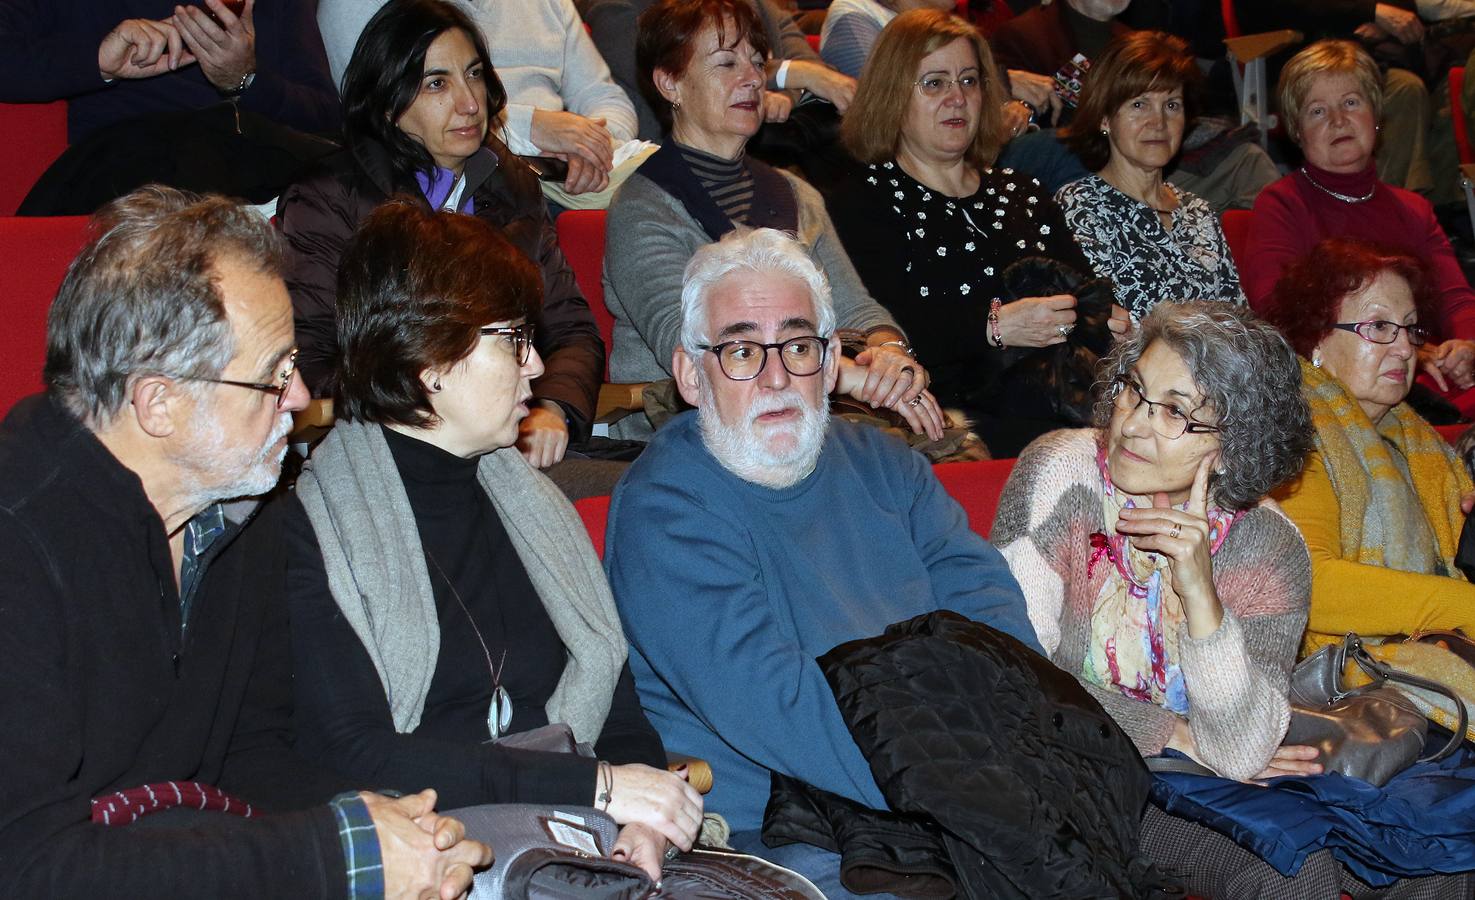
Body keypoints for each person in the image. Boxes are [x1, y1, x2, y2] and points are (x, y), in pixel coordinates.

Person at [0, 185, 489, 897]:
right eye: (273, 375)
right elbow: (25, 867)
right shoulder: (17, 544)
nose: (298, 399)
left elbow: (246, 756)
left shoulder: (238, 510)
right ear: (159, 402)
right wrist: (337, 853)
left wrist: (387, 826)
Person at [604, 226, 1039, 894]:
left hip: (943, 789)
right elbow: (780, 706)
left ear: (832, 362)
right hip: (787, 829)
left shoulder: (888, 466)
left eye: (799, 346)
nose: (776, 376)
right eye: (742, 350)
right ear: (691, 374)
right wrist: (968, 784)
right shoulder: (665, 508)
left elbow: (989, 614)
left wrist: (1011, 752)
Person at [285, 203, 703, 881]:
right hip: (430, 857)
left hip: (574, 845)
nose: (536, 366)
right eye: (513, 340)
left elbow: (618, 705)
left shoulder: (535, 505)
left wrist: (641, 822)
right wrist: (597, 788)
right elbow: (355, 751)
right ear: (430, 359)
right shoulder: (309, 528)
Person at [279, 0, 603, 469]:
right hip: (392, 451)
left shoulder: (515, 187)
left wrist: (553, 408)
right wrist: (440, 410)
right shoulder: (330, 196)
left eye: (474, 75)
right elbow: (311, 355)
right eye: (437, 84)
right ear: (389, 103)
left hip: (509, 441)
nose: (470, 103)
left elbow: (571, 331)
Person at [605, 0, 938, 440]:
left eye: (757, 63)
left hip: (807, 408)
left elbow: (854, 306)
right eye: (726, 63)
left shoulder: (797, 192)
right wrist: (843, 374)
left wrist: (889, 354)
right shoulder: (643, 205)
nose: (751, 79)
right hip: (686, 426)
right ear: (670, 83)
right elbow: (688, 345)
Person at [824, 9, 1130, 456]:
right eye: (934, 83)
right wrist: (993, 326)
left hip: (1067, 400)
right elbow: (879, 328)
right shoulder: (864, 199)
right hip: (951, 415)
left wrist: (1106, 321)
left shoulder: (1021, 190)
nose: (957, 98)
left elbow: (1089, 294)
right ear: (892, 95)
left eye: (969, 81)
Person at [1264, 238, 1475, 653]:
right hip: (1360, 684)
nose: (1404, 348)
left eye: (1410, 328)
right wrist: (1465, 607)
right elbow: (1310, 583)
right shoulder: (1293, 431)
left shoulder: (1416, 440)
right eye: (1378, 327)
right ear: (1317, 339)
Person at [1244, 40, 1475, 415]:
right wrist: (1403, 349)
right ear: (1297, 131)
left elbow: (1458, 300)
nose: (1338, 120)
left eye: (1351, 103)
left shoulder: (1414, 209)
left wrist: (1467, 346)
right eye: (1317, 111)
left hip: (1429, 375)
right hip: (1336, 387)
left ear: (1377, 115)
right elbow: (1278, 316)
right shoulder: (1282, 204)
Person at [0, 0, 342, 215]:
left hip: (253, 163)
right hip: (128, 166)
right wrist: (97, 62)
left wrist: (245, 80)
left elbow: (324, 116)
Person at [317, 0, 637, 197]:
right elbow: (378, 113)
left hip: (571, 175)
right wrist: (528, 127)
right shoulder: (355, 5)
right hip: (444, 176)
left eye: (475, 73)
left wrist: (593, 150)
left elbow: (605, 96)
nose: (471, 98)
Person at [1056, 30, 1245, 321]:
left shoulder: (1198, 211)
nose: (1158, 122)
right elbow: (1096, 328)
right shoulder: (1079, 207)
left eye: (1171, 105)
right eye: (1139, 104)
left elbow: (1239, 320)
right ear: (1105, 118)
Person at [582, 0, 858, 143]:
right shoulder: (620, 10)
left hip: (775, 152)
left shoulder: (754, 4)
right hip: (681, 164)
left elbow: (820, 74)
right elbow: (682, 77)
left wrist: (787, 95)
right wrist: (792, 73)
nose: (753, 77)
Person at [1233, 1, 1432, 193]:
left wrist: (1383, 20)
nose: (1339, 120)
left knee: (1407, 87)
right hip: (1289, 70)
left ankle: (1393, 200)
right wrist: (1371, 11)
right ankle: (1365, 199)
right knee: (1394, 92)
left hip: (1356, 61)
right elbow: (1291, 8)